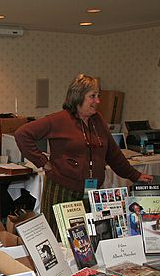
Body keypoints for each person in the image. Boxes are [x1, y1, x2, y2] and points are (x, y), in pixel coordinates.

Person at [15, 74, 152, 238]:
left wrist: (134, 175)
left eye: (98, 96)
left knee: (87, 240)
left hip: (91, 192)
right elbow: (22, 134)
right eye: (92, 96)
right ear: (78, 96)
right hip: (62, 190)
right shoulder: (58, 120)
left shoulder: (98, 120)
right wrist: (43, 162)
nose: (98, 101)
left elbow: (113, 153)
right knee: (60, 239)